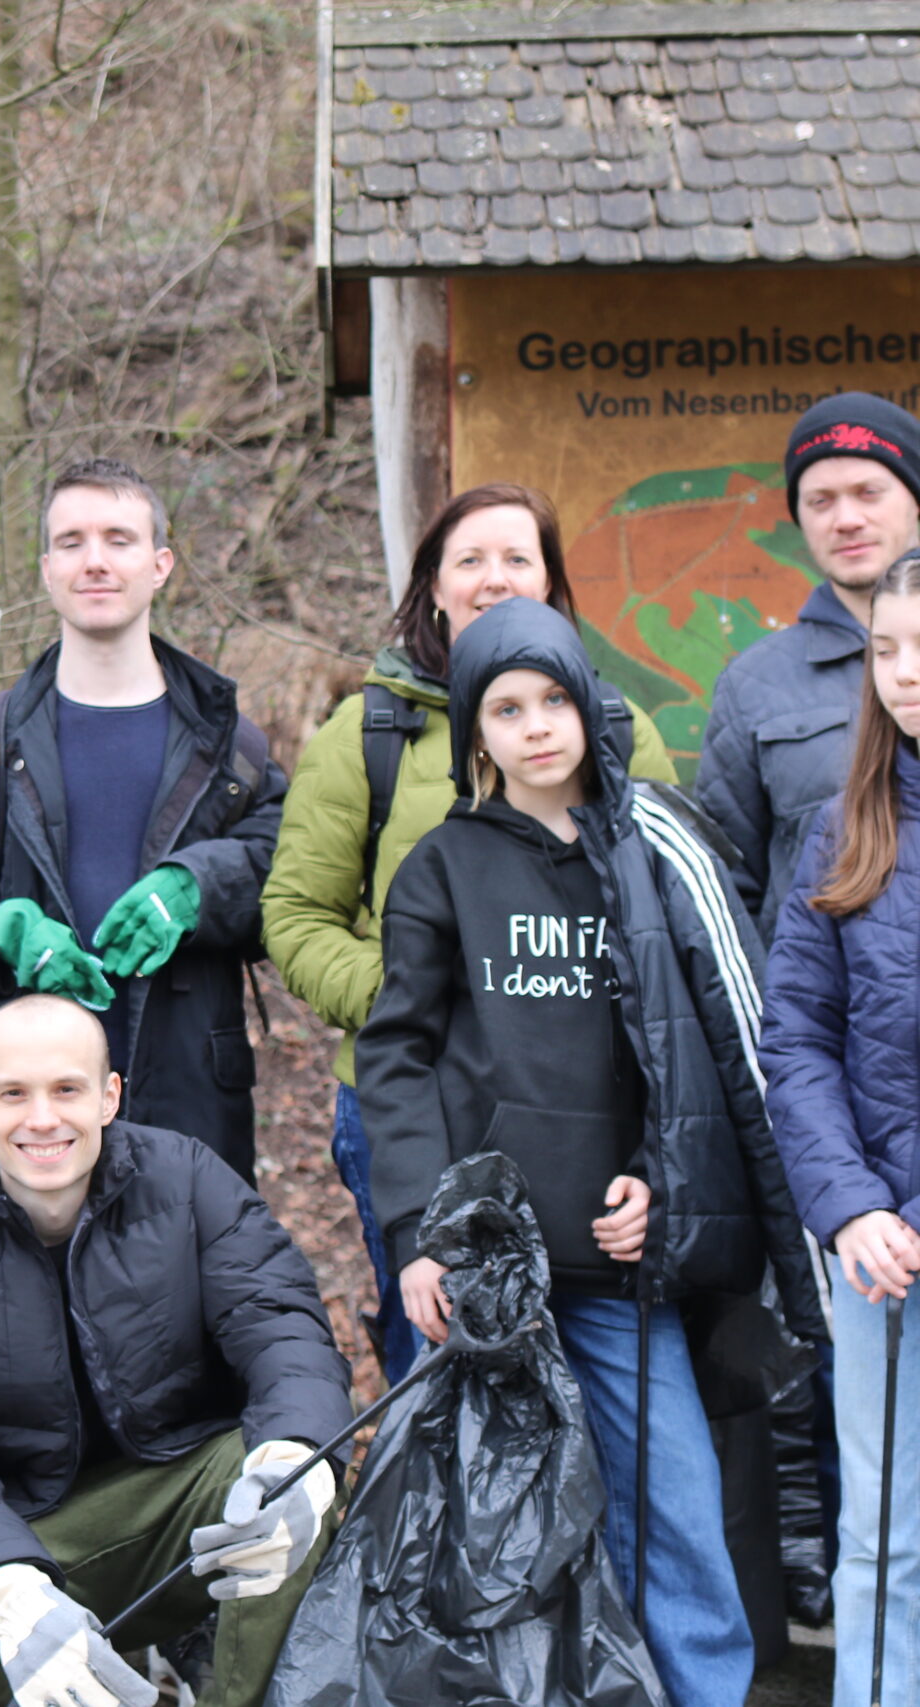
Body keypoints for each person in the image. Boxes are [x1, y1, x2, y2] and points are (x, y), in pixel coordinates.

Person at [357, 597, 823, 1707]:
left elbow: (700, 1059)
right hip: (489, 1280)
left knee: (675, 1513)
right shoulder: (442, 867)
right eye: (505, 708)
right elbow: (397, 1056)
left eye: (553, 698)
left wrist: (663, 1189)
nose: (534, 727)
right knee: (484, 1529)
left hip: (623, 1273)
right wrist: (419, 1240)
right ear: (475, 735)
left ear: (587, 706)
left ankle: (701, 1691)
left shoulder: (651, 855)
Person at [261, 482, 677, 1379]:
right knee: (445, 1364)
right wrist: (425, 995)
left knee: (605, 1369)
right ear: (433, 586)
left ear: (553, 584)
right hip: (406, 1098)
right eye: (470, 561)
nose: (495, 579)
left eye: (517, 558)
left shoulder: (618, 729)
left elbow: (670, 911)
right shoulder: (366, 732)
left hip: (588, 1106)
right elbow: (295, 915)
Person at [0, 994, 351, 1707]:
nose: (43, 1118)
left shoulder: (185, 1178)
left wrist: (294, 1457)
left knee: (292, 1476)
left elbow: (282, 1327)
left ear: (109, 1095)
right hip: (20, 1524)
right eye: (14, 1094)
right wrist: (11, 1586)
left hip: (176, 1498)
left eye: (67, 1089)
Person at [0, 457, 287, 1177]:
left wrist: (199, 885)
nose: (95, 561)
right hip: (22, 1110)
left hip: (187, 1103)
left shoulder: (232, 744)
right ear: (46, 568)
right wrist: (3, 933)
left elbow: (287, 873)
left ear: (161, 564)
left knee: (181, 1287)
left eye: (119, 539)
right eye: (72, 542)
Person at [760, 548, 920, 1707]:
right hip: (882, 1267)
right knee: (884, 1542)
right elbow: (798, 1040)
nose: (904, 674)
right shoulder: (841, 831)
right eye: (886, 649)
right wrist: (853, 1205)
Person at [698, 394, 920, 942]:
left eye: (870, 493)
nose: (847, 519)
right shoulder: (752, 687)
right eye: (821, 501)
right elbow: (728, 891)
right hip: (826, 1016)